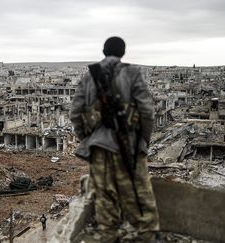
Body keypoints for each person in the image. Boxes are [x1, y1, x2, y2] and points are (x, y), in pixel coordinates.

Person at [70, 36, 159, 242]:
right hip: (130, 144)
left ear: (103, 51)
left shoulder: (88, 77)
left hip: (99, 147)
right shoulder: (132, 73)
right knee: (139, 191)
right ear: (123, 52)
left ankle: (109, 234)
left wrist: (88, 139)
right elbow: (147, 111)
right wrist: (143, 140)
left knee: (104, 195)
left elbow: (75, 113)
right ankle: (148, 235)